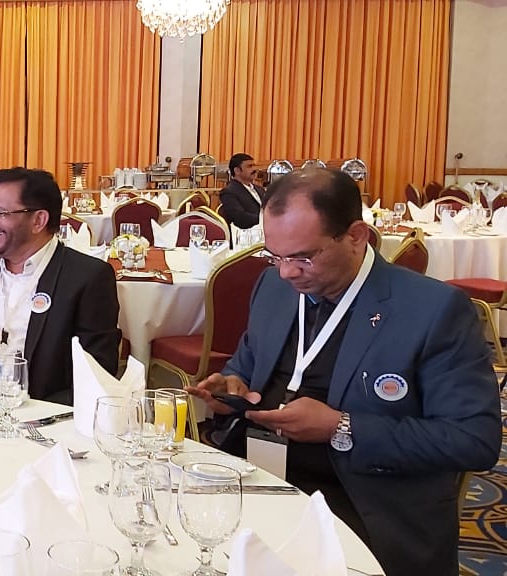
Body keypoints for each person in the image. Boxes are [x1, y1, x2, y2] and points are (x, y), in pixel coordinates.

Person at [186, 168, 501, 576]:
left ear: (356, 236)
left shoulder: (432, 310)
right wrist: (232, 388)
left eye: (303, 257)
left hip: (363, 504)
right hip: (258, 482)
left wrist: (341, 427)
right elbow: (246, 366)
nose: (287, 272)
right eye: (275, 256)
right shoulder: (273, 287)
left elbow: (474, 440)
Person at [0, 168, 120, 404]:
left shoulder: (87, 278)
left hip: (41, 416)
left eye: (1, 213)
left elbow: (98, 374)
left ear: (38, 220)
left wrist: (38, 416)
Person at [219, 153, 265, 229]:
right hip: (246, 232)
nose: (254, 169)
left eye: (254, 166)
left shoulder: (260, 189)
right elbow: (240, 218)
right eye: (249, 166)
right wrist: (265, 219)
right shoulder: (229, 192)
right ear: (237, 171)